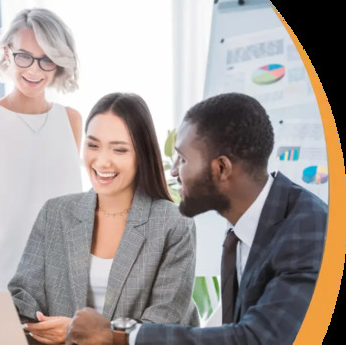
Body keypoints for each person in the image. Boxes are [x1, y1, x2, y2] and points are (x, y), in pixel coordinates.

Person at [65, 92, 328, 345]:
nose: (176, 171)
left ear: (221, 168)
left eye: (183, 159)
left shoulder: (308, 228)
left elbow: (258, 339)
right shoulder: (243, 227)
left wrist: (120, 335)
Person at [9, 93, 200, 345]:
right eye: (93, 145)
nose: (101, 161)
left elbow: (163, 324)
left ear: (142, 154)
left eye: (119, 149)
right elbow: (23, 297)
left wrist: (84, 334)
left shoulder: (173, 223)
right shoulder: (55, 213)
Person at [0, 8, 83, 291]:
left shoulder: (71, 120)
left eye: (46, 60)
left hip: (62, 280)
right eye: (24, 56)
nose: (34, 70)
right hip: (2, 279)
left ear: (58, 64)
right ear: (6, 53)